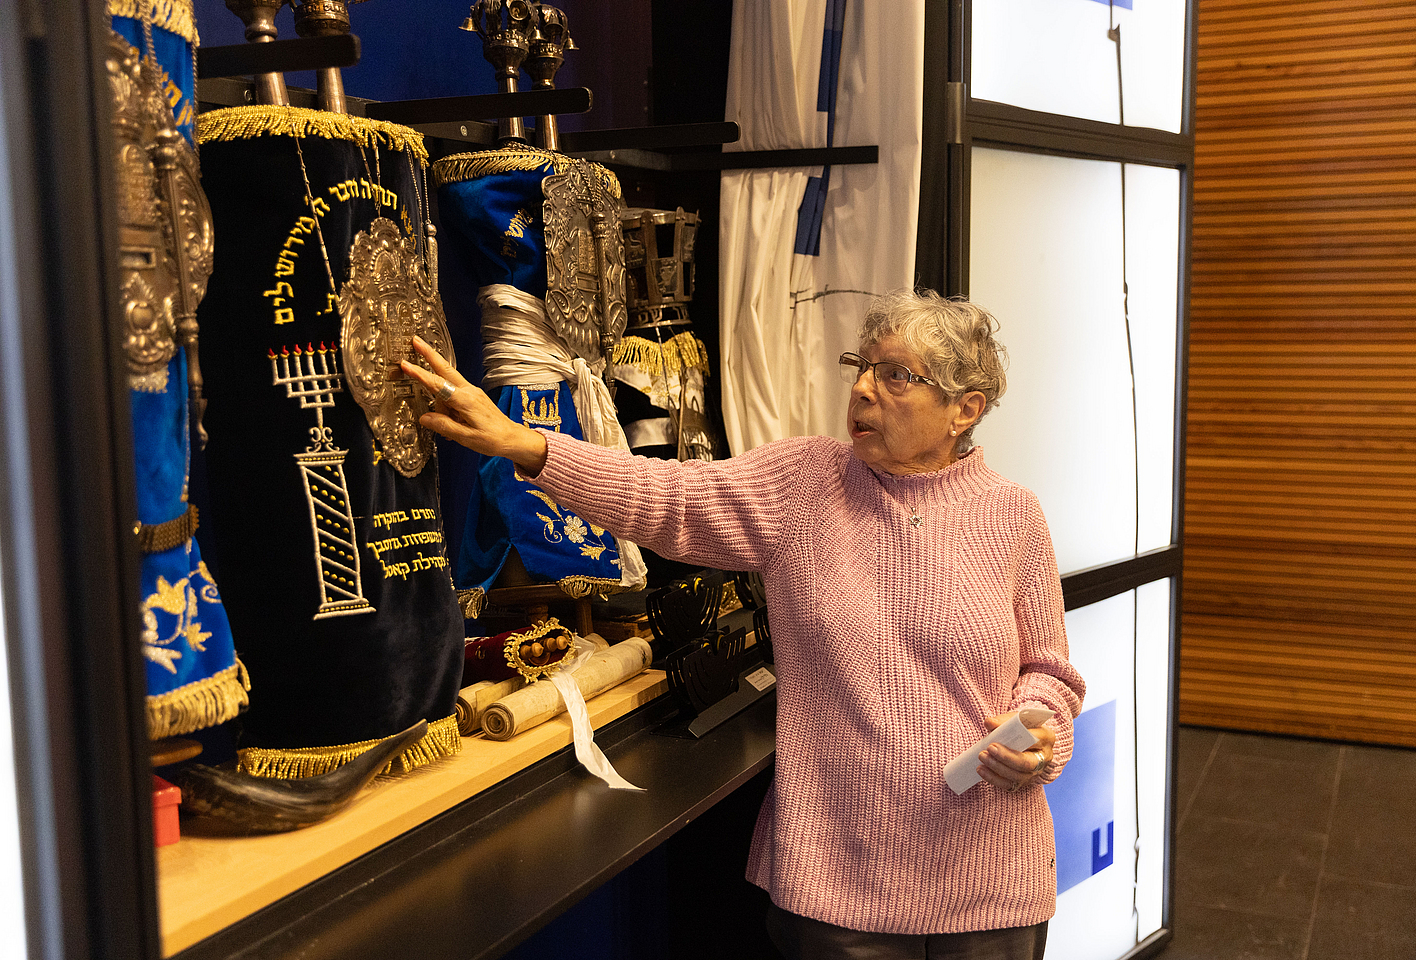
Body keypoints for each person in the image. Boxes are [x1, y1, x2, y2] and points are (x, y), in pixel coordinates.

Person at [403, 288, 1084, 960]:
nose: (866, 389)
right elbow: (664, 497)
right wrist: (527, 446)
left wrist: (1039, 737)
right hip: (843, 891)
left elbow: (1050, 675)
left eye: (898, 375)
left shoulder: (1012, 515)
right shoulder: (805, 484)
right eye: (863, 366)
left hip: (994, 878)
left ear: (964, 411)